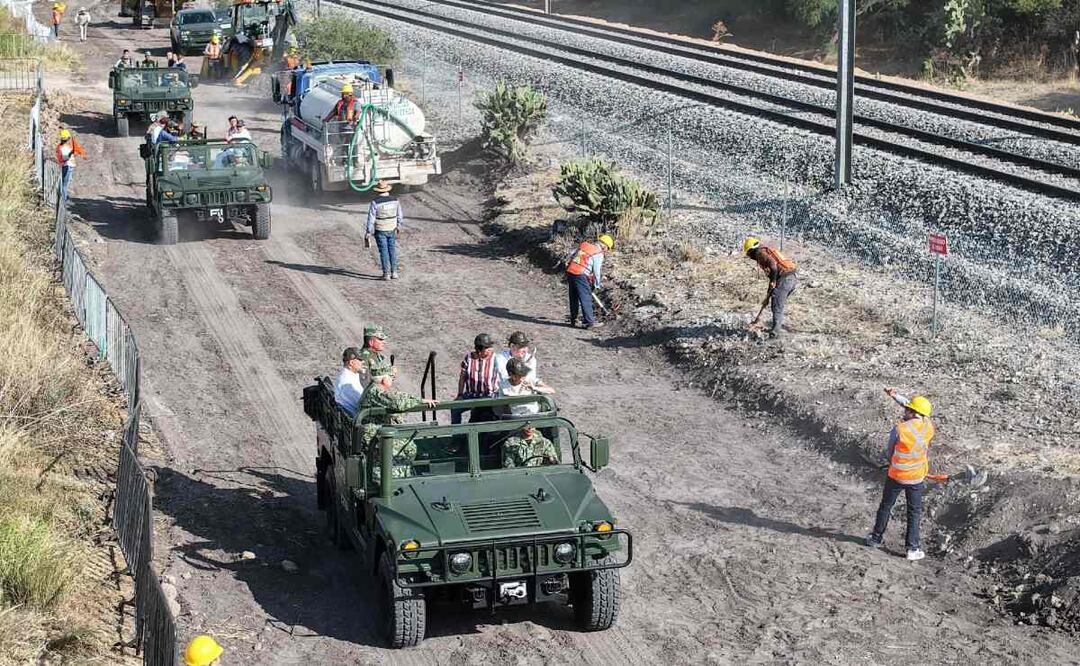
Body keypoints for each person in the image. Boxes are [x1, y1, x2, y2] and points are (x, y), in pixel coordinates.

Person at [865, 388, 935, 562]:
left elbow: (890, 452)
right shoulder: (928, 426)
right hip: (916, 478)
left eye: (907, 409)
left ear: (913, 412)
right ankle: (912, 549)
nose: (904, 410)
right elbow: (914, 407)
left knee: (886, 506)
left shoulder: (900, 429)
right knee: (914, 512)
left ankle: (875, 538)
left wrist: (893, 462)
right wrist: (895, 396)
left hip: (896, 475)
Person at [359, 370, 437, 479]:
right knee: (408, 448)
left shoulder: (373, 389)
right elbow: (397, 402)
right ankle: (395, 476)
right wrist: (420, 401)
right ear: (385, 380)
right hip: (373, 437)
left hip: (377, 432)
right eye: (391, 377)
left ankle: (403, 473)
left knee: (408, 446)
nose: (393, 379)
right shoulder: (375, 391)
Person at [743, 236, 798, 339]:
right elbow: (773, 274)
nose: (750, 257)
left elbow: (773, 267)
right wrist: (768, 294)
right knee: (776, 302)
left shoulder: (760, 253)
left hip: (785, 278)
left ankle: (775, 333)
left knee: (777, 305)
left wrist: (773, 281)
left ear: (752, 250)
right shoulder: (765, 252)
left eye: (749, 254)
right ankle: (776, 328)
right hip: (791, 278)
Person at [565, 234, 614, 330]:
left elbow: (571, 255)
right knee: (585, 298)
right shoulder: (598, 253)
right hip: (580, 274)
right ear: (604, 246)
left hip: (571, 271)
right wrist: (597, 284)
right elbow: (596, 271)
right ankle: (590, 322)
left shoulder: (584, 245)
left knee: (573, 296)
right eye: (608, 248)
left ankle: (573, 319)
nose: (607, 251)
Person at [453, 333, 499, 425]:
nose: (490, 349)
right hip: (471, 395)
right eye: (487, 348)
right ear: (479, 350)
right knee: (455, 408)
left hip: (489, 396)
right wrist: (460, 394)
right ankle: (456, 435)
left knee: (484, 415)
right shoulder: (468, 358)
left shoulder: (495, 358)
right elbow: (462, 377)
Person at [366, 180, 402, 280]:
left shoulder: (375, 202)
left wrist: (368, 232)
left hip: (380, 229)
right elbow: (400, 215)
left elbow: (371, 218)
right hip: (392, 228)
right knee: (392, 250)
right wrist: (399, 226)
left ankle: (386, 274)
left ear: (378, 191)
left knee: (384, 251)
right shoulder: (395, 200)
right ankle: (394, 272)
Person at [55, 128, 86, 202]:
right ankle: (63, 199)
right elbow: (66, 157)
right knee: (64, 184)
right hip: (68, 166)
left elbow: (64, 157)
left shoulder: (61, 147)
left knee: (64, 184)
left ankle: (63, 199)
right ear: (67, 138)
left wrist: (71, 154)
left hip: (66, 166)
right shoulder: (65, 148)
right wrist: (71, 153)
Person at [334, 347, 366, 416]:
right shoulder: (348, 382)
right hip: (357, 420)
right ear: (351, 362)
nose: (363, 362)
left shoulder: (350, 375)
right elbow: (364, 405)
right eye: (360, 360)